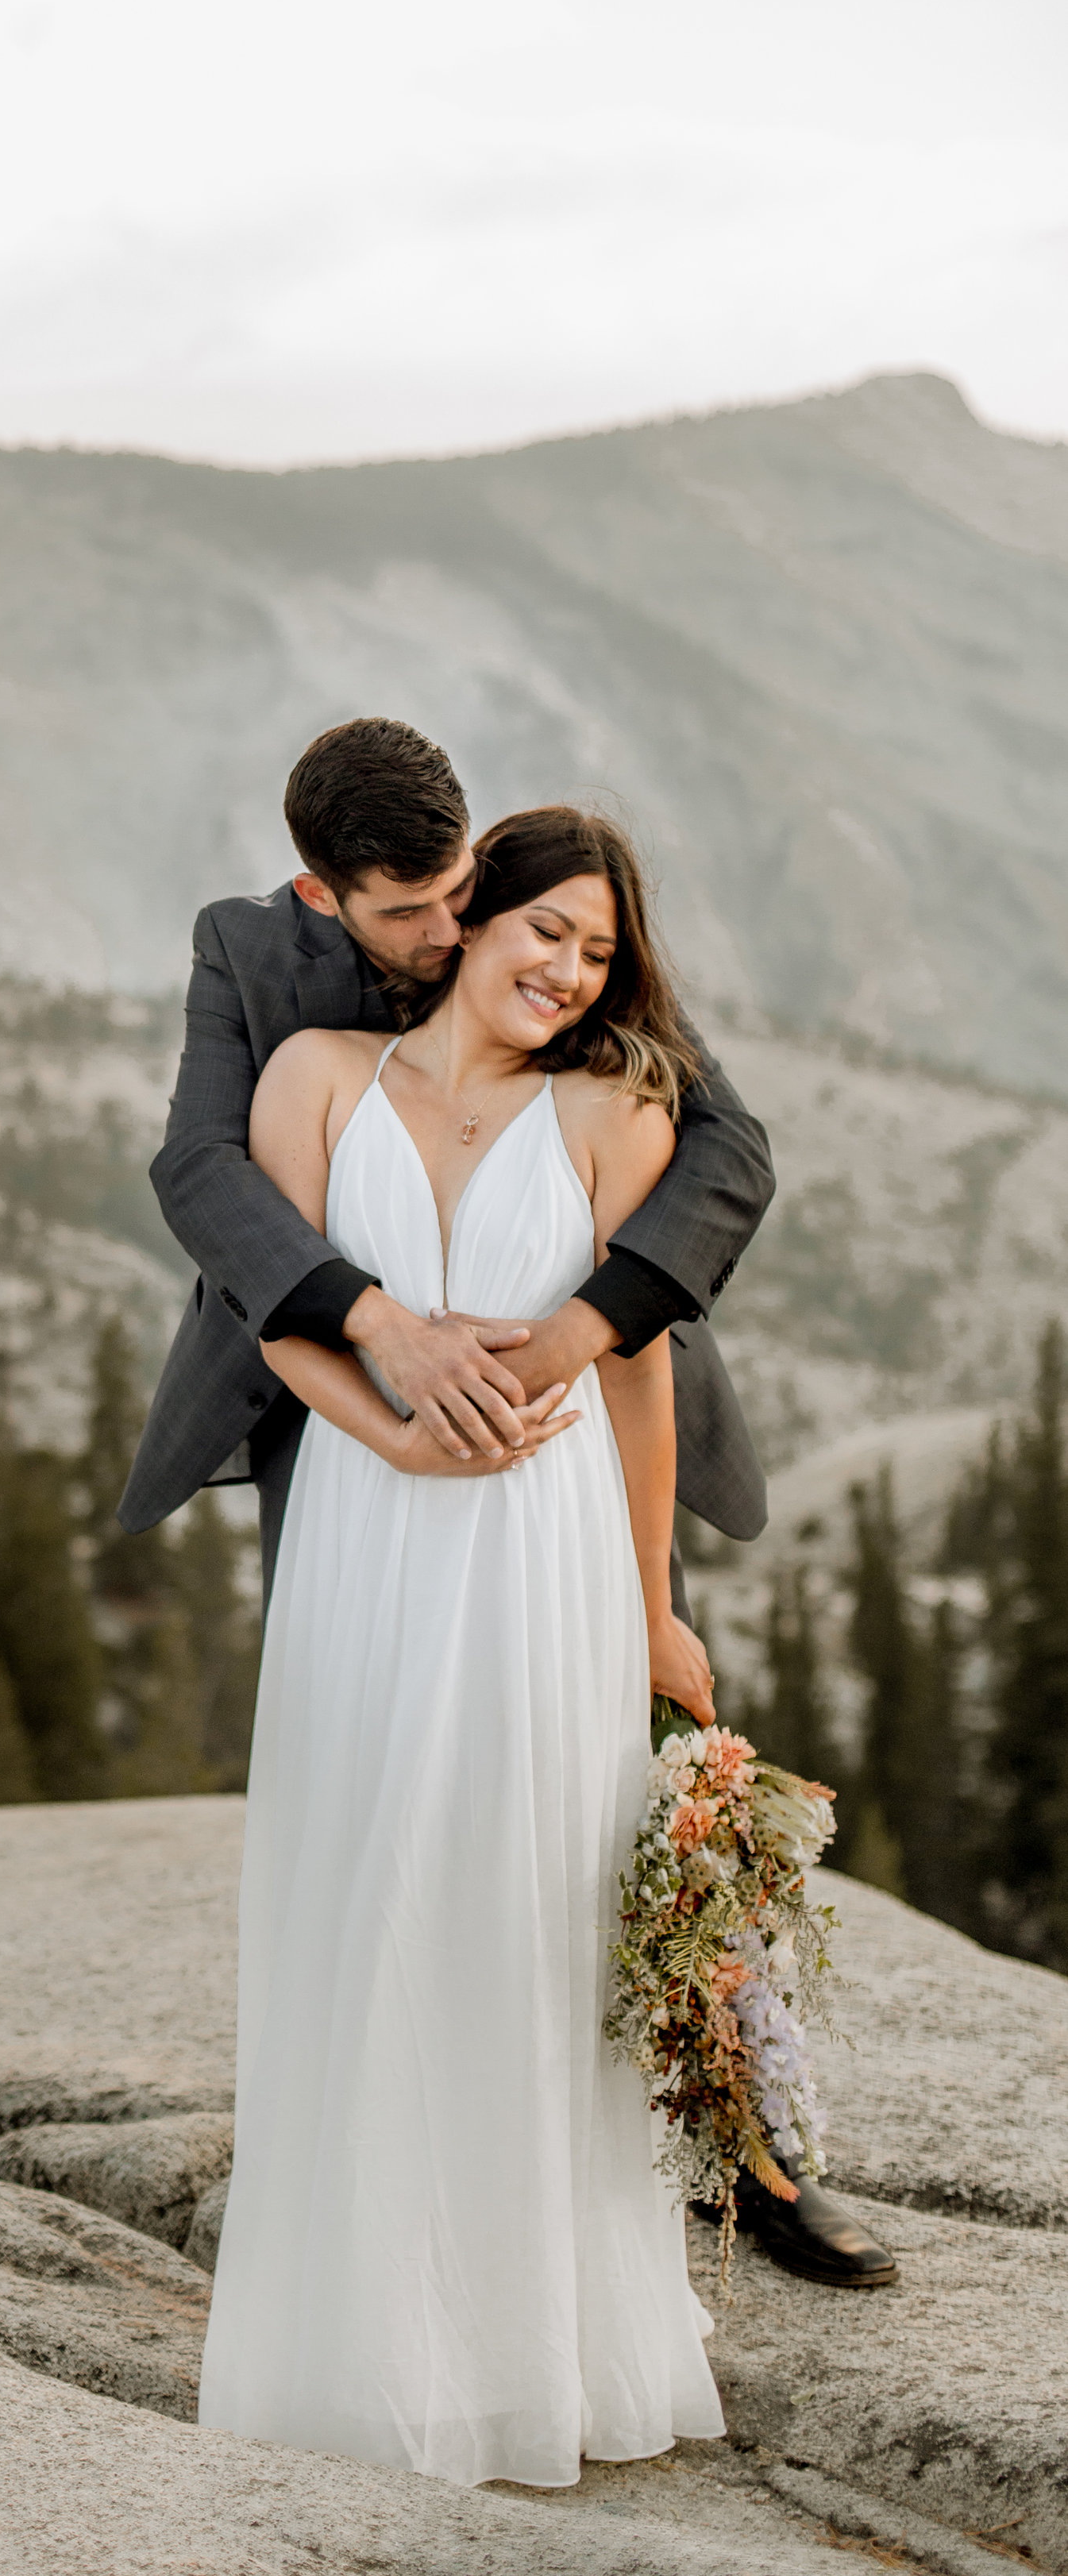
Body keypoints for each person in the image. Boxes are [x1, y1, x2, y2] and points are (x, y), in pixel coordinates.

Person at [122, 720, 896, 2294]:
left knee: (638, 1806)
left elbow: (724, 1144)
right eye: (401, 915)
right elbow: (201, 1173)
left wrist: (576, 1336)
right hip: (347, 1441)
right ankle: (371, 2167)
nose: (439, 935)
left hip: (574, 1429)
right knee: (383, 1788)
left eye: (455, 894)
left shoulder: (548, 920)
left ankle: (750, 2151)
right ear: (318, 896)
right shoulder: (256, 969)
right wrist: (377, 1334)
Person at [195, 804, 747, 2484]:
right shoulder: (305, 1079)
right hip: (368, 1532)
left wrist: (647, 1601)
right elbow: (262, 1311)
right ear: (470, 920)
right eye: (543, 931)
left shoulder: (613, 1110)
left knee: (525, 1908)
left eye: (595, 950)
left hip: (540, 1548)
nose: (564, 970)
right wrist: (382, 1429)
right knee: (361, 1889)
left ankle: (528, 2359)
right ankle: (353, 2348)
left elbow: (635, 1366)